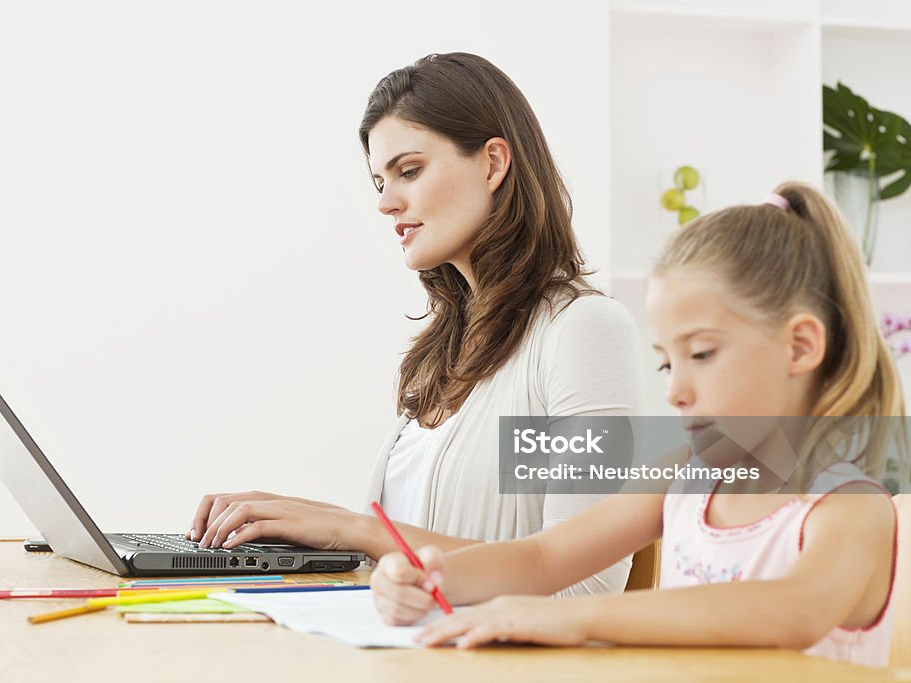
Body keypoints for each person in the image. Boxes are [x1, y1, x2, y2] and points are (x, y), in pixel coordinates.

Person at [370, 182, 903, 667]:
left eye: (702, 353)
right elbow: (544, 557)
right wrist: (434, 574)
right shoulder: (686, 475)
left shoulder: (851, 506)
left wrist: (572, 619)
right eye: (668, 363)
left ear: (801, 346)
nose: (674, 390)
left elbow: (793, 611)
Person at [184, 52, 644, 594]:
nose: (385, 202)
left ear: (493, 164)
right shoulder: (446, 348)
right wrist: (297, 522)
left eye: (409, 171)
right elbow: (410, 554)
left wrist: (356, 530)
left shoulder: (582, 332)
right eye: (380, 180)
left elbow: (585, 584)